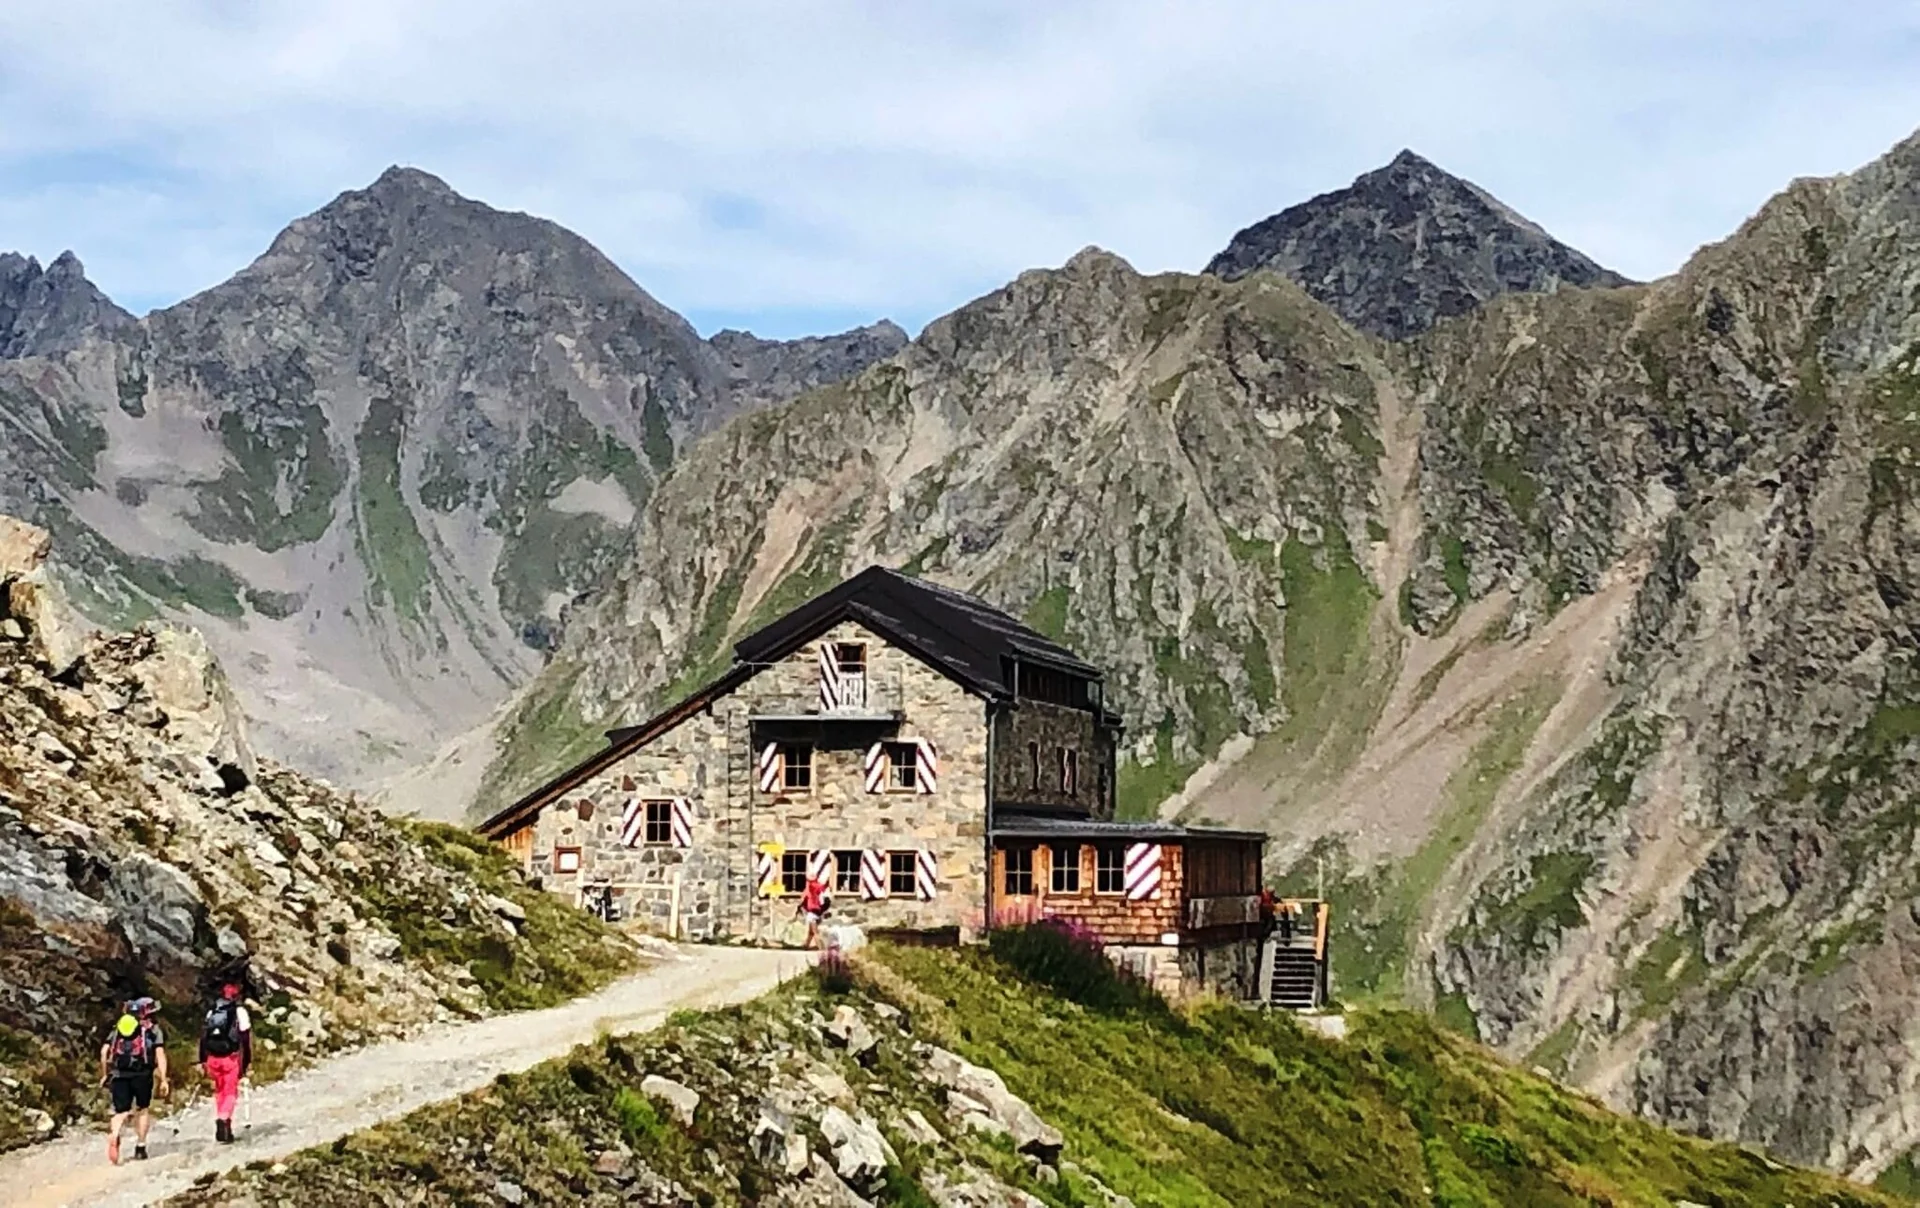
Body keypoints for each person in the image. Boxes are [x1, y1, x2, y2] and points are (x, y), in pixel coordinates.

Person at [99, 996, 169, 1165]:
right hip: (142, 1074)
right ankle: (140, 1147)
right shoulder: (153, 1030)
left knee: (120, 1111)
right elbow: (160, 1055)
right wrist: (163, 1078)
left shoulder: (119, 1028)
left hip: (119, 1073)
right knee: (142, 1109)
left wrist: (105, 1073)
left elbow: (104, 1052)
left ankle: (115, 1133)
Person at [198, 981, 253, 1143]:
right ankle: (223, 1120)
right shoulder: (239, 1012)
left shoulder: (212, 1012)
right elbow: (245, 1039)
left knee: (220, 1090)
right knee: (230, 1092)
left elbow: (204, 1037)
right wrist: (246, 1061)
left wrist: (202, 1059)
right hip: (230, 1058)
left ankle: (225, 1124)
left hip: (212, 1058)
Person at [796, 874, 832, 949]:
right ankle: (806, 946)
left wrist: (799, 907)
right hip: (817, 911)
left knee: (815, 931)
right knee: (811, 932)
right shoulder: (817, 887)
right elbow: (823, 888)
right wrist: (827, 883)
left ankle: (821, 948)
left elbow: (804, 899)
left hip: (812, 912)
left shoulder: (810, 887)